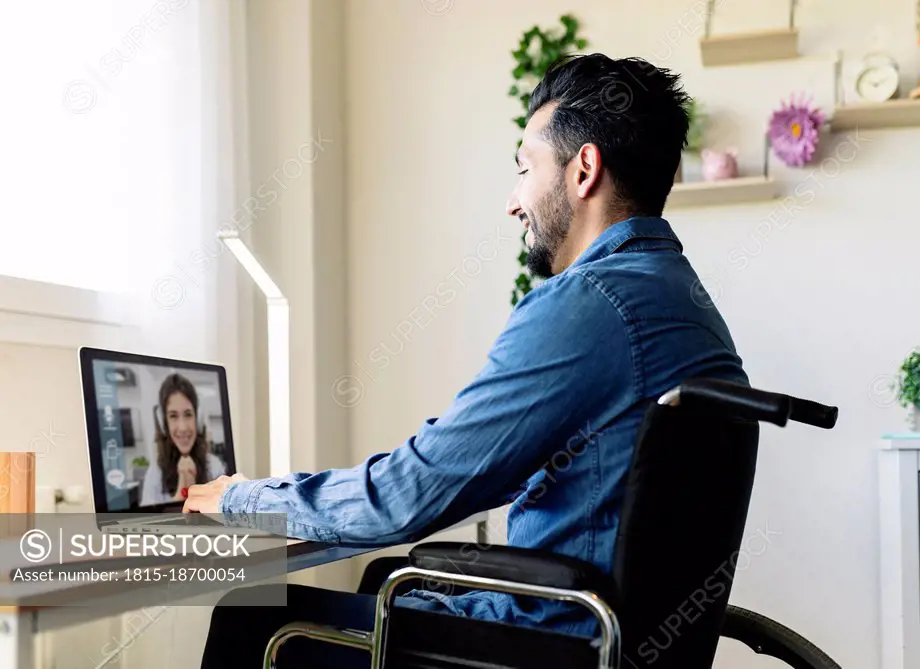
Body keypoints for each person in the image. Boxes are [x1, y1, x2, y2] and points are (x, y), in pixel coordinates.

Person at [189, 53, 748, 668]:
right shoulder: (686, 306)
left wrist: (243, 498)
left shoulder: (592, 305)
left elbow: (409, 496)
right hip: (610, 643)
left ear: (583, 168)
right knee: (386, 578)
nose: (514, 202)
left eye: (524, 168)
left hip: (548, 647)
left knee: (253, 613)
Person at [140, 372, 226, 507]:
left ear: (198, 419)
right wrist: (182, 493)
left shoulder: (215, 467)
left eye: (188, 414)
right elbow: (144, 524)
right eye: (173, 416)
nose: (182, 427)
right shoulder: (154, 474)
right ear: (164, 424)